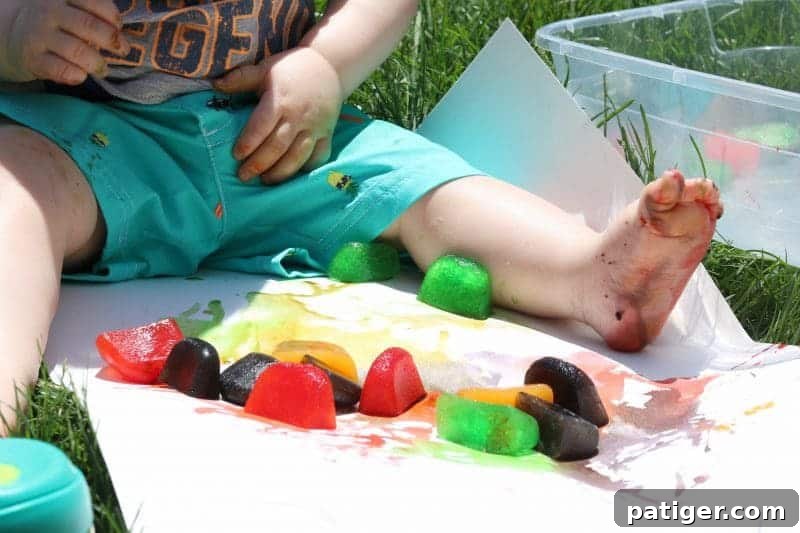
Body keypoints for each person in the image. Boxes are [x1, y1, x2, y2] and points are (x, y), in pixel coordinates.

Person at [0, 0, 722, 431]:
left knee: (426, 187)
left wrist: (328, 64)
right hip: (86, 143)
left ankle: (590, 273)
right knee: (14, 196)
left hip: (282, 139)